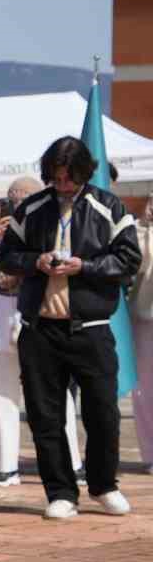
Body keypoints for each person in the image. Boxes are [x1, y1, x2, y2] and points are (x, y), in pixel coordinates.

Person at [0, 135, 140, 519]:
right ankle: (60, 492)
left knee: (103, 413)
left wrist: (85, 267)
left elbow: (129, 259)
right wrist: (35, 262)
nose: (62, 186)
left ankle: (104, 485)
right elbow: (6, 256)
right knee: (45, 415)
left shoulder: (108, 207)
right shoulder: (32, 209)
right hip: (40, 329)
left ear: (83, 174)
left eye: (69, 179)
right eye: (56, 179)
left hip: (91, 327)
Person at [0, 177, 83, 486]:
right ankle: (4, 466)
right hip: (1, 317)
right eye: (13, 199)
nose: (16, 203)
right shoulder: (1, 231)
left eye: (23, 198)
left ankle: (71, 464)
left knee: (54, 394)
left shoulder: (55, 226)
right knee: (1, 394)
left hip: (41, 315)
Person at [132, 198, 153, 471]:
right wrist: (146, 228)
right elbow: (135, 264)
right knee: (145, 390)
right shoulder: (137, 231)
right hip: (144, 316)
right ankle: (150, 452)